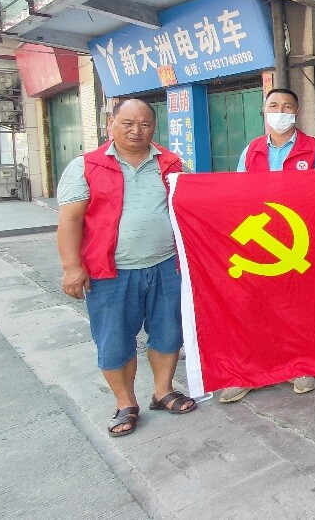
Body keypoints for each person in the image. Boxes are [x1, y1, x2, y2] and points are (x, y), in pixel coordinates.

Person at [56, 99, 197, 438]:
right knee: (114, 340)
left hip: (167, 266)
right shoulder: (85, 166)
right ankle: (125, 403)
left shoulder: (172, 163)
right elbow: (70, 220)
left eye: (145, 124)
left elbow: (193, 205)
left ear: (154, 127)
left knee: (168, 332)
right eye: (128, 123)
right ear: (111, 124)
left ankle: (163, 391)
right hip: (110, 271)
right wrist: (71, 266)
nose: (137, 131)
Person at [218, 88, 315, 404]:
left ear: (297, 112)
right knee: (255, 306)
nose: (280, 112)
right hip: (259, 241)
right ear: (264, 110)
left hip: (302, 239)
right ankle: (252, 371)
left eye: (287, 106)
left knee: (299, 305)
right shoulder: (251, 151)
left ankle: (300, 365)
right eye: (274, 106)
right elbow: (239, 194)